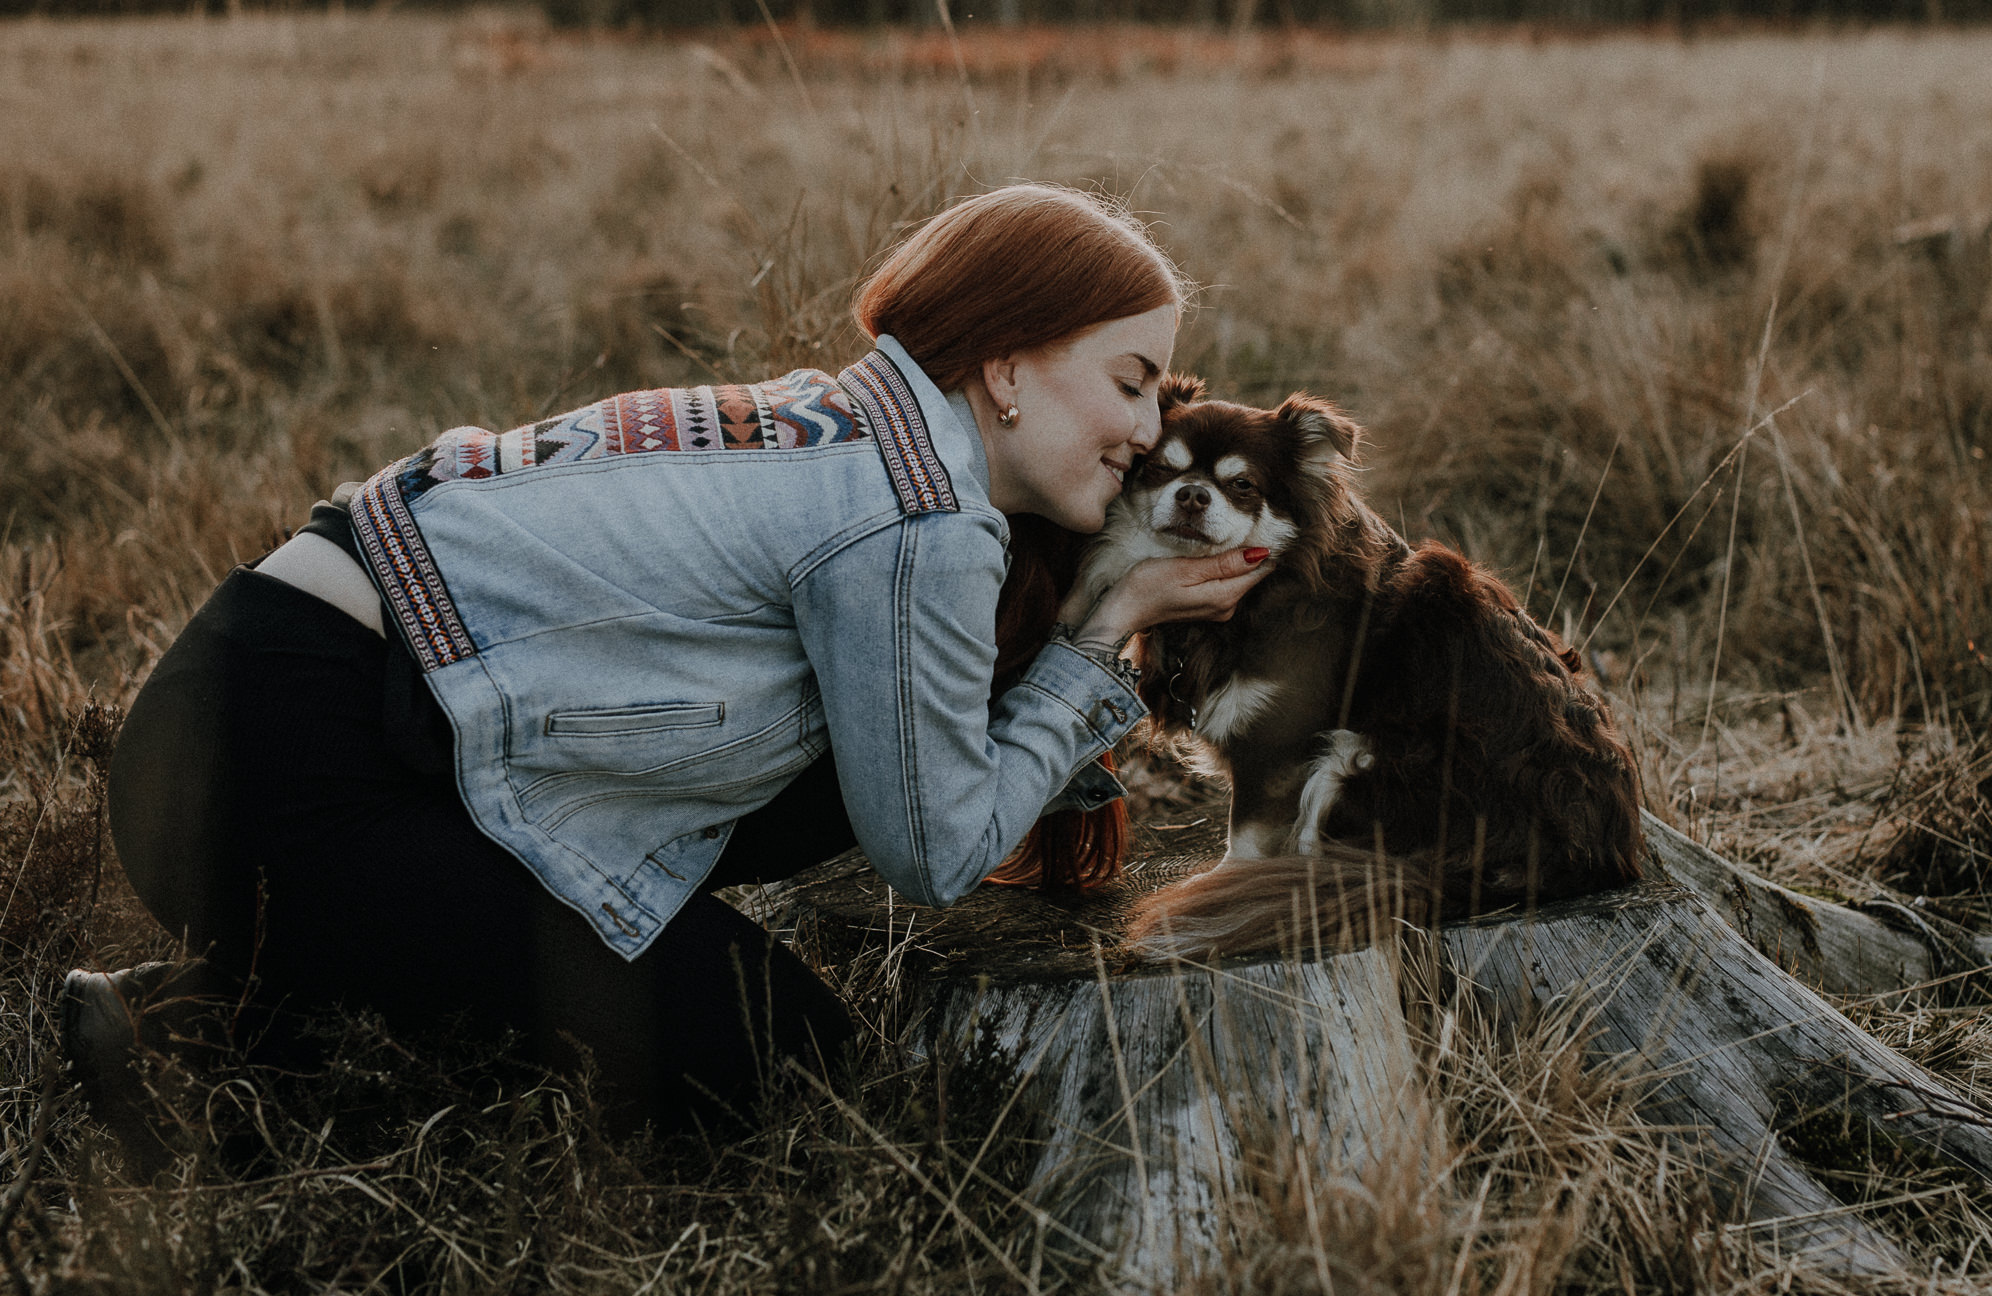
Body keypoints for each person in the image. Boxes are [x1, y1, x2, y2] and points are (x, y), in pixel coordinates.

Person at [74, 183, 1269, 1138]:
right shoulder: (913, 516)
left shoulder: (844, 429)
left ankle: (254, 1001)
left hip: (264, 711)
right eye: (1131, 380)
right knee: (789, 1076)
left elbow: (882, 779)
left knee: (825, 794)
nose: (1153, 426)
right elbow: (938, 849)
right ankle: (222, 1044)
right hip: (284, 767)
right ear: (1007, 367)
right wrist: (1105, 637)